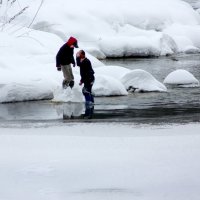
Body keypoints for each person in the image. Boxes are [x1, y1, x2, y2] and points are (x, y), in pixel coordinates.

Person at [76, 50, 95, 118]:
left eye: (79, 54)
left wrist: (77, 57)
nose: (78, 56)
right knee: (88, 91)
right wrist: (82, 80)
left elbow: (79, 64)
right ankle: (91, 104)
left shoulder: (86, 61)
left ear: (83, 55)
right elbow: (84, 73)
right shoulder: (83, 61)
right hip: (87, 79)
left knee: (85, 91)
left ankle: (89, 104)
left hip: (89, 79)